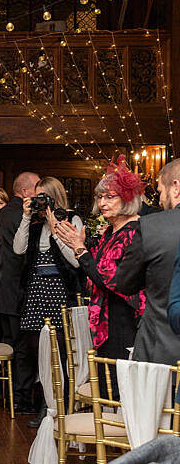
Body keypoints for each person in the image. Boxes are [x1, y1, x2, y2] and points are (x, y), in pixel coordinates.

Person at [54, 156, 145, 365]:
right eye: (100, 197)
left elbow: (110, 279)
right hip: (108, 319)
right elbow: (90, 271)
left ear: (128, 198)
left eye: (110, 197)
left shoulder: (134, 233)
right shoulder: (111, 231)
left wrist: (80, 249)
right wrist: (81, 247)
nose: (102, 203)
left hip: (124, 321)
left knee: (117, 388)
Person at [12, 177, 83, 425]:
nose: (40, 201)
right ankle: (42, 398)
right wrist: (25, 217)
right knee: (35, 347)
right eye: (37, 197)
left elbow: (76, 260)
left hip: (60, 289)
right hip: (35, 289)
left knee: (60, 350)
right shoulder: (33, 224)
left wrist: (56, 228)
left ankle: (54, 406)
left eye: (44, 196)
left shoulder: (72, 220)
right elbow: (18, 249)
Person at [112, 158, 180, 366]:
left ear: (176, 187)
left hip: (159, 348)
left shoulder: (151, 227)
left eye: (160, 191)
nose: (159, 201)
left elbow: (124, 283)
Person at [0, 171, 39, 413]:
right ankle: (20, 399)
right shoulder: (23, 217)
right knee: (22, 348)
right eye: (37, 189)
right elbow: (23, 256)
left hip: (2, 291)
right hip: (18, 290)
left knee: (11, 344)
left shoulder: (2, 214)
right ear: (25, 193)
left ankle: (9, 395)